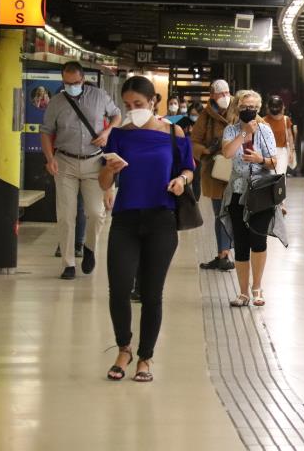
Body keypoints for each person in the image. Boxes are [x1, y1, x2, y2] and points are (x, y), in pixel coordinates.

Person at [99, 75, 195, 382]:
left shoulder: (173, 133)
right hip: (125, 219)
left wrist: (182, 180)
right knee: (118, 289)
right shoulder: (119, 135)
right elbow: (103, 182)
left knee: (152, 293)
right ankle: (123, 348)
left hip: (161, 220)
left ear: (154, 101)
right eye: (127, 105)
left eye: (138, 104)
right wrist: (109, 172)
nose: (133, 110)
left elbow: (188, 168)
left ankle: (145, 357)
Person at [41, 61, 121, 280]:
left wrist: (107, 133)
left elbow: (117, 115)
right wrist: (49, 159)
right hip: (64, 162)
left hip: (94, 163)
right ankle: (68, 263)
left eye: (75, 83)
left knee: (96, 213)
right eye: (67, 83)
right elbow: (46, 132)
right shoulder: (56, 102)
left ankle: (90, 248)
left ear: (83, 79)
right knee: (66, 215)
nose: (71, 86)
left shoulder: (99, 96)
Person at [221, 90, 287, 307]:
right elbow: (228, 154)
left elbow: (273, 162)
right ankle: (242, 292)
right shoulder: (231, 130)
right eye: (244, 107)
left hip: (260, 192)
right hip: (238, 191)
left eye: (252, 107)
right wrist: (244, 134)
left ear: (258, 109)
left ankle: (257, 287)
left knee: (258, 240)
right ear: (237, 107)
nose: (248, 111)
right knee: (240, 243)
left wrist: (260, 159)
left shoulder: (266, 130)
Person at [191, 80, 236, 271]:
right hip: (216, 171)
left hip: (237, 169)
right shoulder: (206, 116)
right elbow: (194, 141)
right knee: (220, 214)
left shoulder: (239, 109)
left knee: (233, 214)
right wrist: (207, 151)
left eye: (227, 92)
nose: (225, 96)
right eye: (220, 93)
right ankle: (223, 254)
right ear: (212, 95)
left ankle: (226, 253)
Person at [263, 95, 295, 175]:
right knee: (270, 176)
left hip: (282, 151)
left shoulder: (285, 119)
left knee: (280, 175)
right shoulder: (263, 120)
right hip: (267, 152)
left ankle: (280, 188)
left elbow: (290, 136)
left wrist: (291, 151)